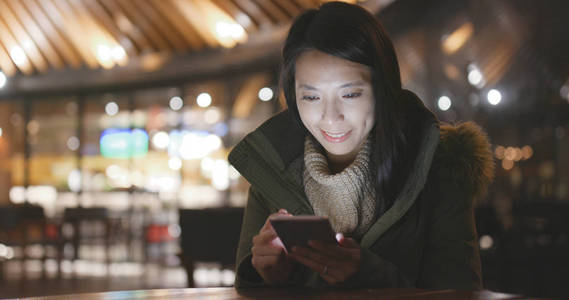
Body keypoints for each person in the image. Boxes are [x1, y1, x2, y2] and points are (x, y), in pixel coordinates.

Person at [228, 1, 494, 290]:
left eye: (351, 94)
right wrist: (266, 276)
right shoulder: (271, 167)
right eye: (311, 97)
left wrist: (367, 273)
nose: (330, 117)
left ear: (383, 89)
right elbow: (246, 291)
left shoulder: (437, 164)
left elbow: (462, 293)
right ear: (293, 98)